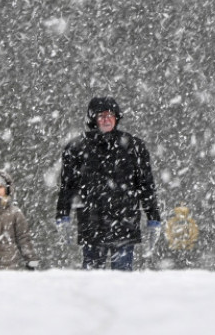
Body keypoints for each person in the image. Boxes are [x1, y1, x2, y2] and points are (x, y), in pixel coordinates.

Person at [56, 96, 162, 270]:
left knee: (122, 283)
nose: (106, 119)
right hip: (91, 223)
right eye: (101, 115)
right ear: (93, 119)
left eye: (110, 115)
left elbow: (146, 185)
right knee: (92, 281)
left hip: (125, 223)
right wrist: (62, 214)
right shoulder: (76, 148)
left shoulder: (134, 147)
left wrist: (153, 218)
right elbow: (67, 186)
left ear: (117, 117)